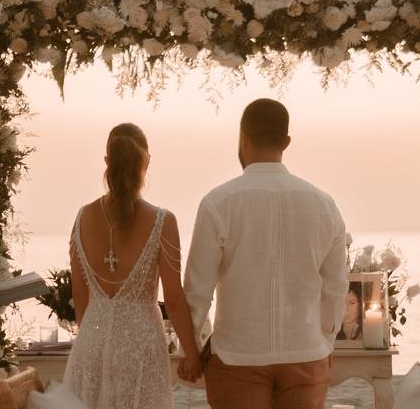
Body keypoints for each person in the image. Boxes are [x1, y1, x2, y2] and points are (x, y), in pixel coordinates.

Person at [184, 99, 349, 409]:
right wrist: (324, 340)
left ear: (243, 138)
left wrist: (191, 349)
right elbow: (336, 287)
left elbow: (197, 290)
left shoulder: (218, 203)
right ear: (287, 142)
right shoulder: (324, 205)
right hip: (305, 354)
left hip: (237, 355)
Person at [63, 123, 203, 409]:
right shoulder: (163, 221)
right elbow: (174, 300)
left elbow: (79, 295)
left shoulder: (83, 217)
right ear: (146, 161)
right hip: (141, 346)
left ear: (107, 162)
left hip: (92, 341)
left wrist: (95, 336)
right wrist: (192, 353)